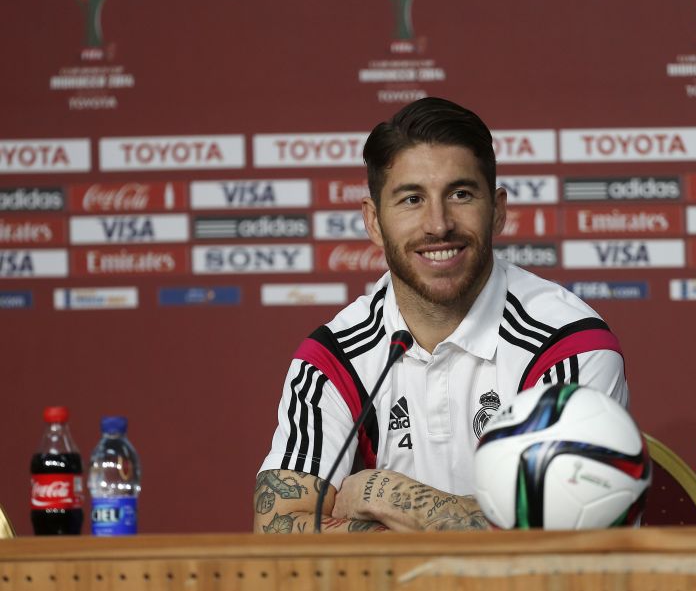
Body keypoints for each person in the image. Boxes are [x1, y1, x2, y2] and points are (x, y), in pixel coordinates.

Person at [253, 97, 627, 533]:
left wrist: (384, 492)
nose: (438, 224)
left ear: (498, 211)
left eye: (461, 194)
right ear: (374, 222)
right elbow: (277, 527)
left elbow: (566, 538)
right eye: (411, 199)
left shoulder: (564, 344)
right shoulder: (335, 359)